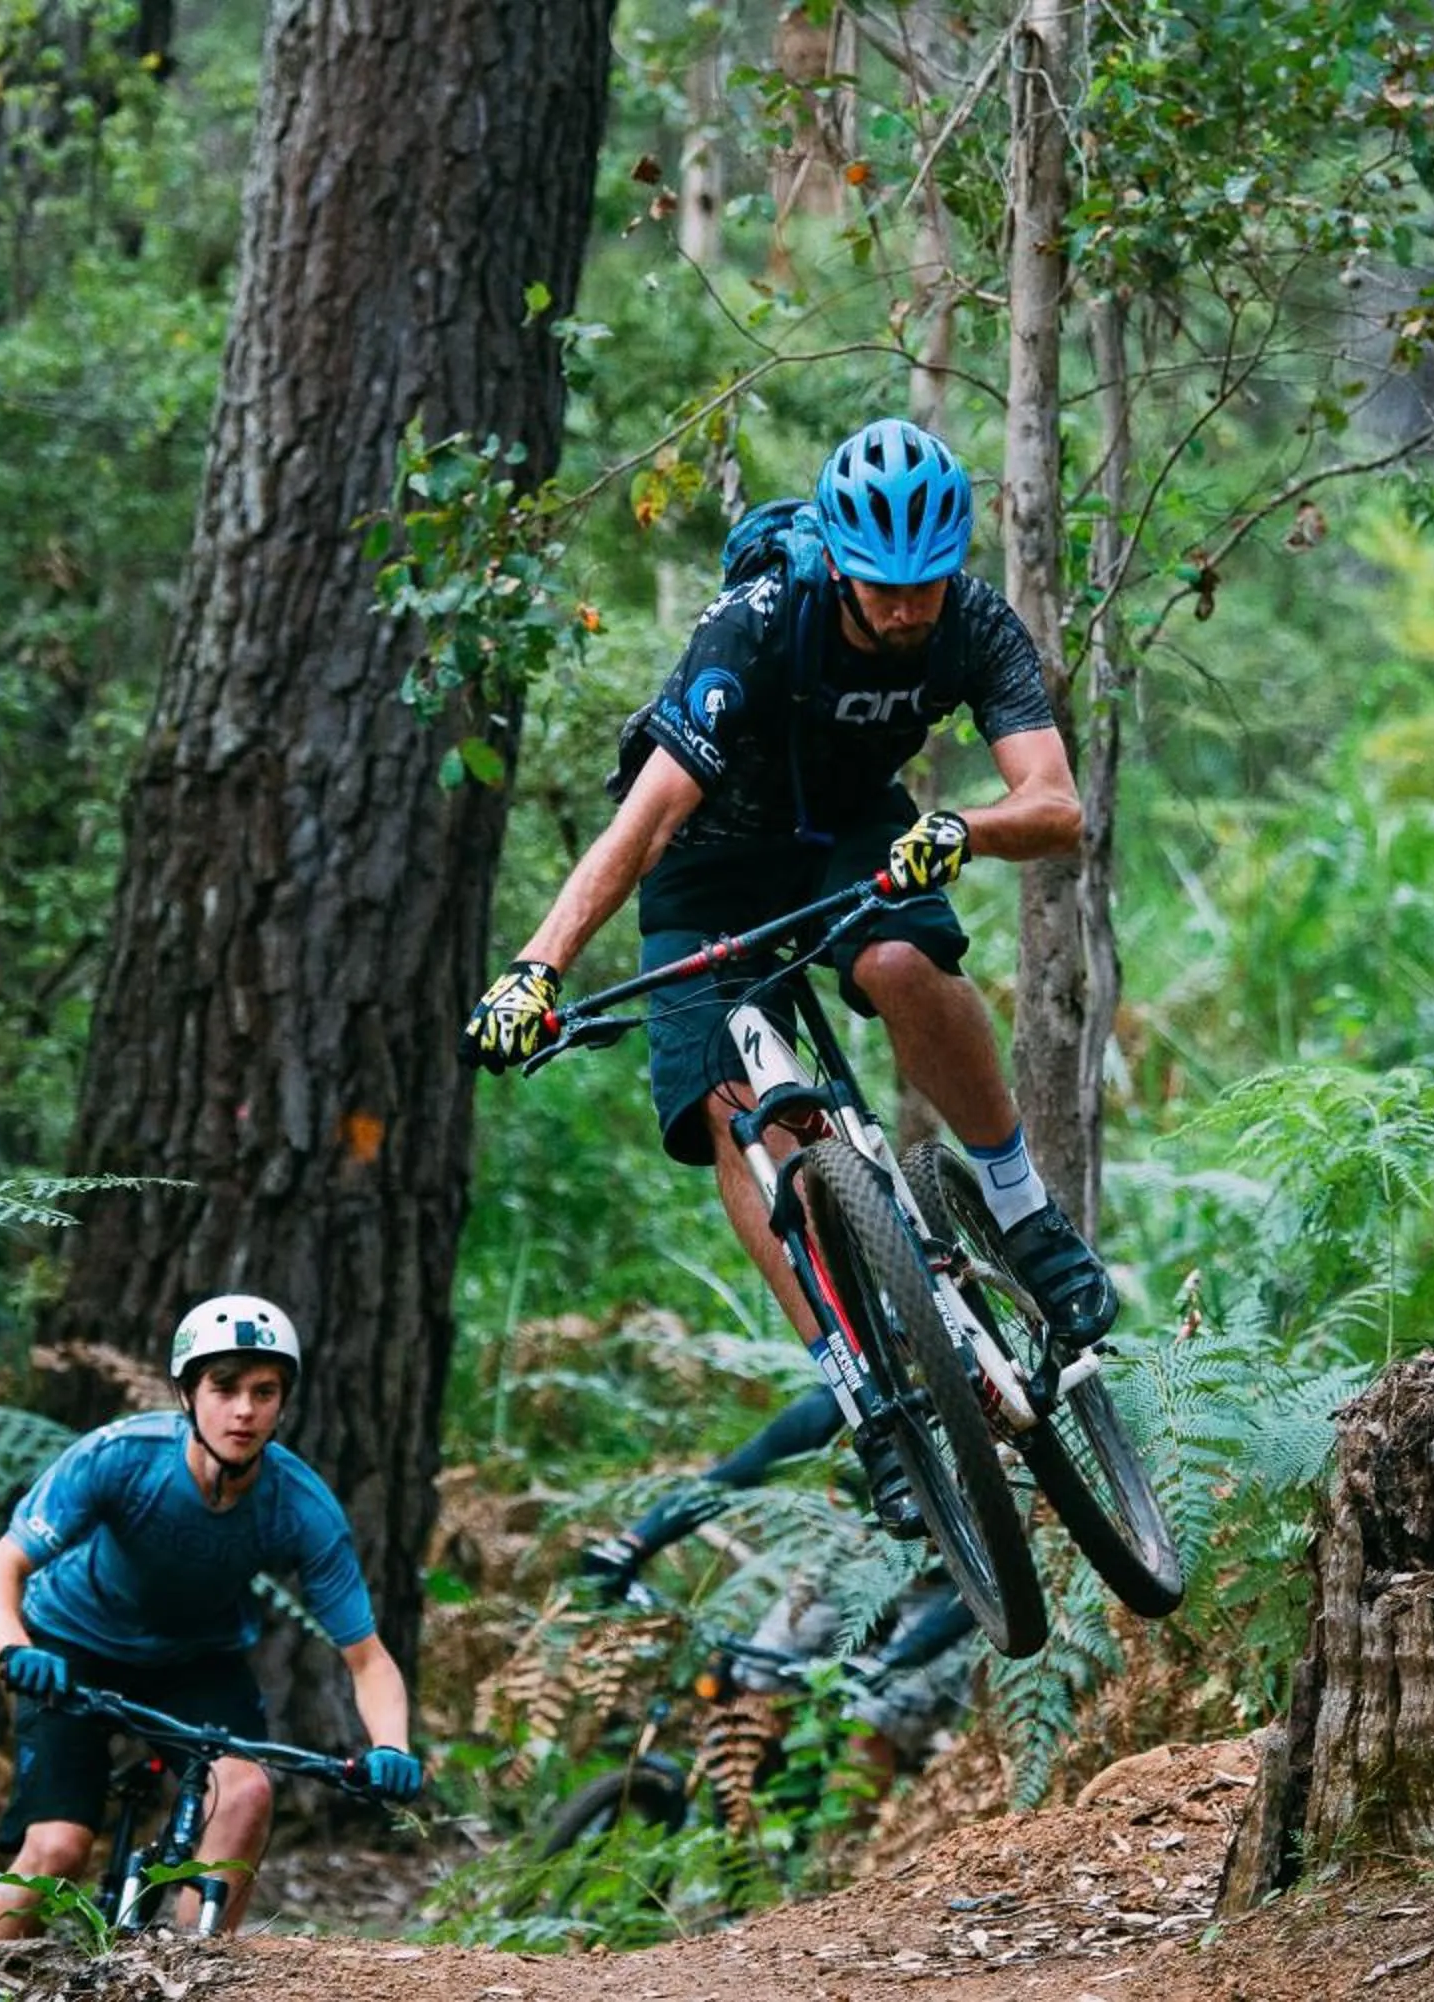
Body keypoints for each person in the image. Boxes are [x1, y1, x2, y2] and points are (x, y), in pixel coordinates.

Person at [462, 417, 1116, 1538]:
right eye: (883, 590)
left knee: (905, 956)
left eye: (927, 586)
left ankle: (1023, 1212)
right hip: (708, 863)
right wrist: (535, 970)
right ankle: (869, 1397)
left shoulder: (972, 622)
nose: (908, 610)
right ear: (840, 567)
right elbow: (648, 820)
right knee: (734, 1119)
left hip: (844, 833)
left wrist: (962, 830)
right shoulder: (758, 626)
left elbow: (1056, 807)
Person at [0, 1294, 423, 1940]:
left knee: (245, 1795)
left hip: (193, 1661)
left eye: (265, 1392)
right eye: (224, 1387)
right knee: (58, 1850)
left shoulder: (301, 1507)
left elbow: (368, 1658)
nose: (244, 1410)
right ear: (187, 1393)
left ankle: (196, 1966)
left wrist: (392, 1747)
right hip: (69, 1645)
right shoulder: (122, 1458)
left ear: (283, 1403)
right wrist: (16, 1650)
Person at [574, 1383, 980, 1766]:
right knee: (753, 1688)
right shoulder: (843, 1401)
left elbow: (1003, 1581)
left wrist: (896, 1660)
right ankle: (746, 1830)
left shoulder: (978, 1408)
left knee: (874, 1728)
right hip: (857, 1558)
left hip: (952, 1581)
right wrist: (632, 1544)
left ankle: (841, 1839)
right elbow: (728, 1481)